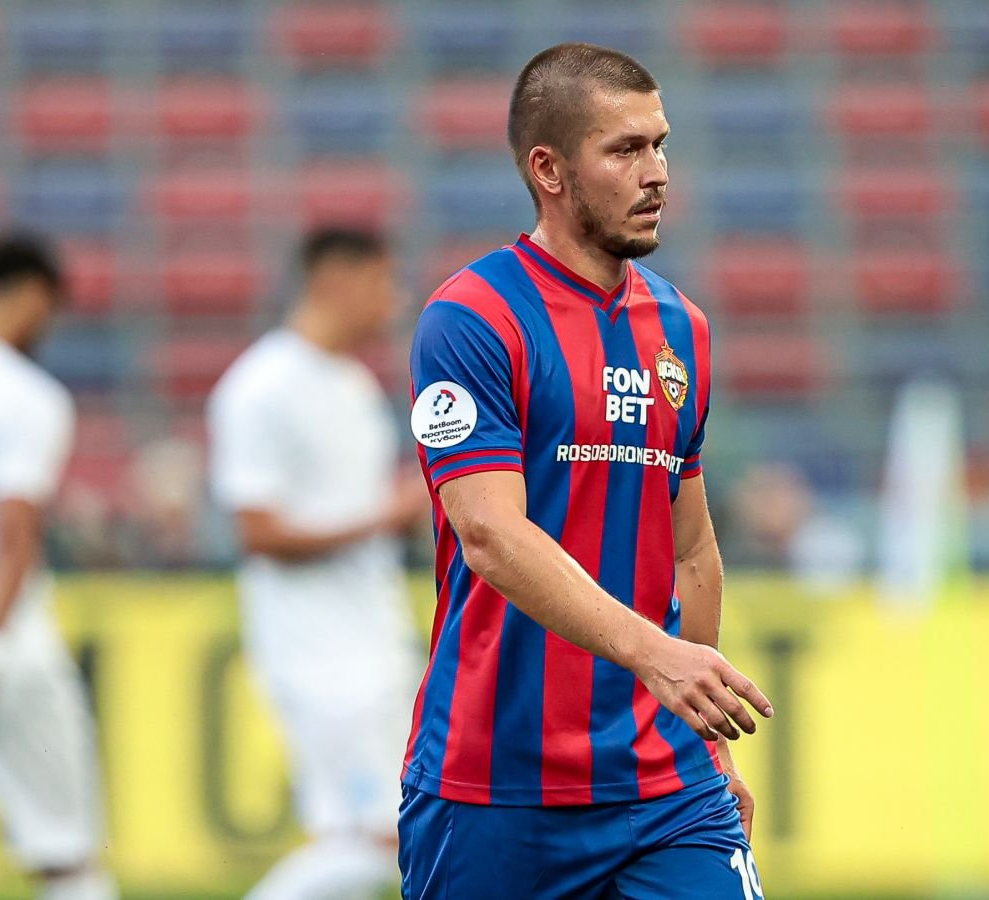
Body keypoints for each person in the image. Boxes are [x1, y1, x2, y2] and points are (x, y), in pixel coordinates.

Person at [400, 43, 773, 899]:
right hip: (495, 784)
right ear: (550, 170)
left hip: (666, 787)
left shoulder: (682, 327)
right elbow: (490, 534)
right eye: (625, 149)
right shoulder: (472, 317)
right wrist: (656, 655)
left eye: (660, 144)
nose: (657, 172)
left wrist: (705, 739)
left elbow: (691, 548)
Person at [207, 227, 427, 900]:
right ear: (336, 279)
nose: (395, 300)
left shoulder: (354, 385)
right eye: (383, 282)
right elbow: (257, 531)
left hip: (373, 635)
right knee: (378, 840)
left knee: (382, 834)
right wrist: (387, 515)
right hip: (317, 653)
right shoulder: (260, 387)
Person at [0, 234, 117, 899]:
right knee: (67, 858)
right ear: (30, 294)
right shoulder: (25, 394)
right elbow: (14, 535)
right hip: (10, 635)